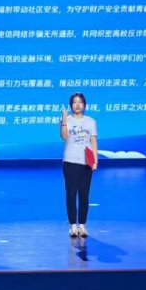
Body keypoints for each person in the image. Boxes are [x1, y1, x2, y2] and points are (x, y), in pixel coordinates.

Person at [60, 92, 98, 237]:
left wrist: (95, 160)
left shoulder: (90, 121)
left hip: (85, 162)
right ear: (71, 105)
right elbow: (64, 137)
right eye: (75, 102)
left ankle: (82, 224)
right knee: (71, 194)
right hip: (70, 161)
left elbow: (93, 142)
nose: (77, 105)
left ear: (84, 105)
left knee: (84, 194)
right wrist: (64, 120)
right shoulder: (67, 120)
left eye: (80, 102)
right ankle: (72, 225)